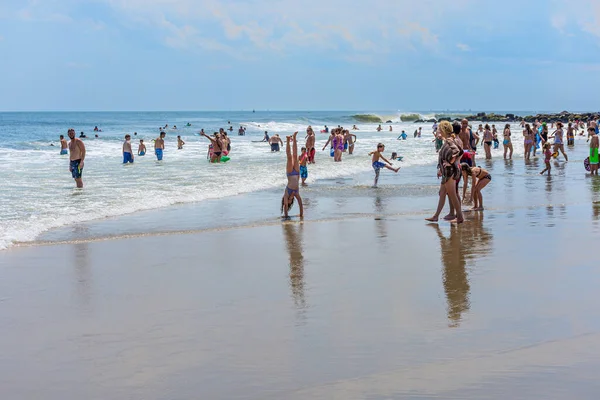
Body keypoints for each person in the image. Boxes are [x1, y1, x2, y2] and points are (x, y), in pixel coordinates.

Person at [426, 121, 464, 224]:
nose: (437, 130)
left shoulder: (449, 140)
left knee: (452, 194)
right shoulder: (447, 140)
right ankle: (436, 216)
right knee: (442, 193)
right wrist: (440, 168)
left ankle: (460, 217)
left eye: (438, 129)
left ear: (442, 130)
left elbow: (458, 152)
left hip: (449, 171)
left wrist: (450, 163)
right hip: (445, 171)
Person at [282, 132, 303, 218]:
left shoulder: (287, 194)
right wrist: (301, 215)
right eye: (291, 200)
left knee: (289, 157)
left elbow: (286, 206)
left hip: (290, 173)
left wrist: (286, 215)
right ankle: (294, 138)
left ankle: (287, 140)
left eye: (288, 201)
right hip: (297, 173)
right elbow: (301, 204)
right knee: (295, 155)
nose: (289, 200)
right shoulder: (296, 194)